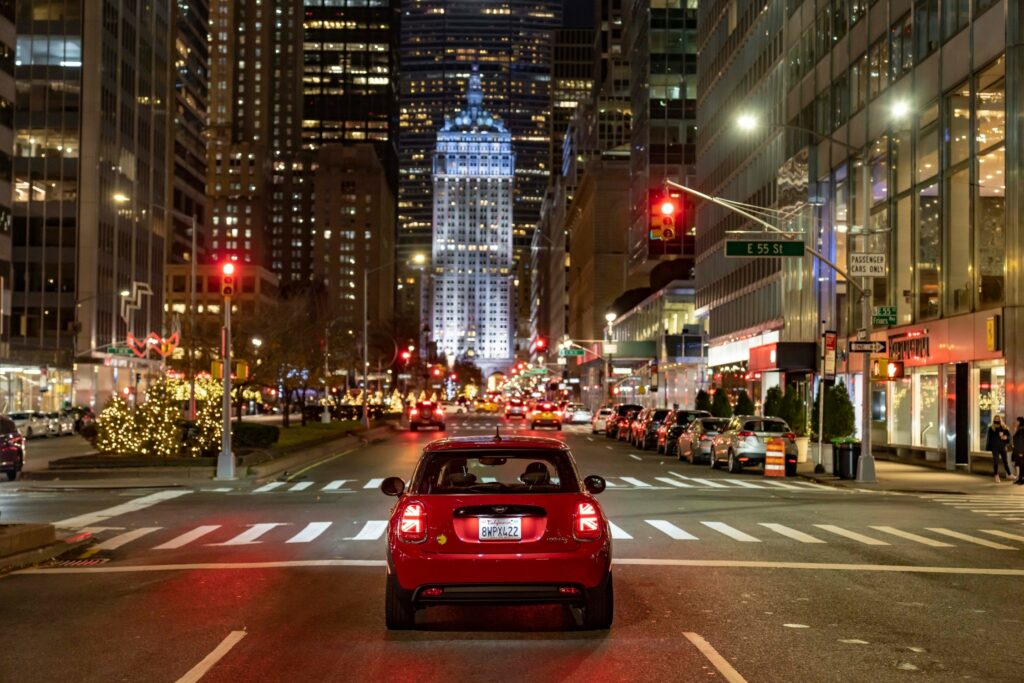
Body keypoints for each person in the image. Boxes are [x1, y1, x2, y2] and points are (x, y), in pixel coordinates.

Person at [985, 415, 1012, 482]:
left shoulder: (1004, 428)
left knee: (1005, 461)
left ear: (1000, 420)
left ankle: (1009, 474)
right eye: (995, 419)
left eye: (998, 419)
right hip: (995, 448)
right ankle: (996, 475)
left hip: (1002, 447)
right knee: (996, 461)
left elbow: (1009, 437)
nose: (997, 421)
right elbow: (989, 439)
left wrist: (1006, 438)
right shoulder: (991, 428)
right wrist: (989, 447)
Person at [1013, 417, 1024, 486]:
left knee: (1022, 465)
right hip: (1018, 449)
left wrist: (1022, 451)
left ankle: (1021, 479)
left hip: (1021, 450)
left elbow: (1022, 441)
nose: (1016, 422)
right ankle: (1020, 479)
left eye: (1017, 421)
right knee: (1019, 465)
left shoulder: (1022, 430)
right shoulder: (1019, 429)